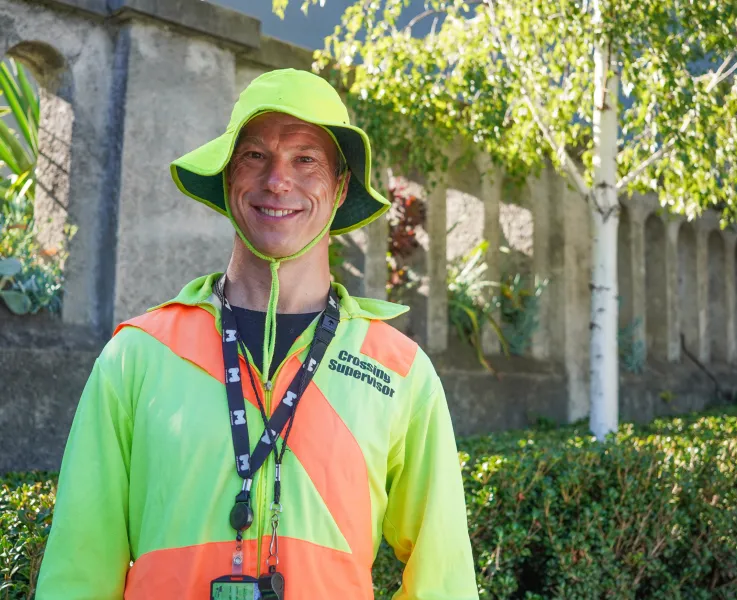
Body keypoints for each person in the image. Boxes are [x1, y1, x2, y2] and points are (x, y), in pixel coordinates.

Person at [36, 68, 478, 600]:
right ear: (228, 178)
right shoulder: (138, 355)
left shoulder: (398, 370)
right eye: (254, 156)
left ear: (339, 189)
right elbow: (78, 565)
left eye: (305, 158)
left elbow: (444, 577)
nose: (277, 181)